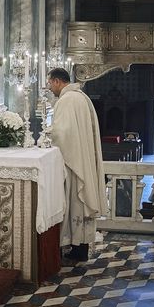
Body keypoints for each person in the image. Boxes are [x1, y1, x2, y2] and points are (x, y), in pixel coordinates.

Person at [47, 68, 107, 262]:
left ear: (57, 81)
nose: (49, 88)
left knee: (73, 203)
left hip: (73, 162)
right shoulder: (81, 97)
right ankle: (80, 246)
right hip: (82, 157)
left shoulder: (67, 100)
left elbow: (62, 133)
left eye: (49, 83)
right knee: (79, 205)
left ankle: (76, 248)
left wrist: (48, 135)